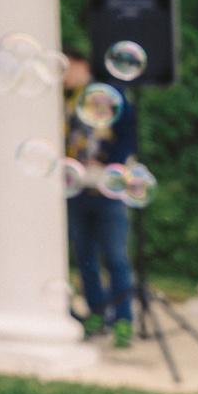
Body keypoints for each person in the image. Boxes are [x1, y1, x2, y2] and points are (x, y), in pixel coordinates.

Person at [61, 48, 140, 347]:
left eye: (67, 68)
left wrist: (109, 164)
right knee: (84, 256)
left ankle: (123, 320)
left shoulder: (108, 96)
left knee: (116, 256)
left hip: (108, 188)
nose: (63, 76)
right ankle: (97, 313)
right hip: (76, 188)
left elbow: (127, 136)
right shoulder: (62, 101)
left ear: (83, 65)